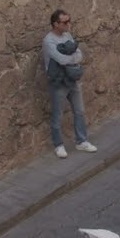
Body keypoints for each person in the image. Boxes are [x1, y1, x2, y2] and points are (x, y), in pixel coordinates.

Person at [45, 10, 97, 159]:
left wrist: (72, 57)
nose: (69, 24)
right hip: (59, 82)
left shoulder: (67, 36)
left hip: (72, 79)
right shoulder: (49, 41)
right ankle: (58, 145)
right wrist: (72, 57)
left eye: (69, 21)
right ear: (56, 24)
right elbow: (60, 59)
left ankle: (82, 141)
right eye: (65, 22)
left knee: (79, 111)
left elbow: (79, 54)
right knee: (58, 115)